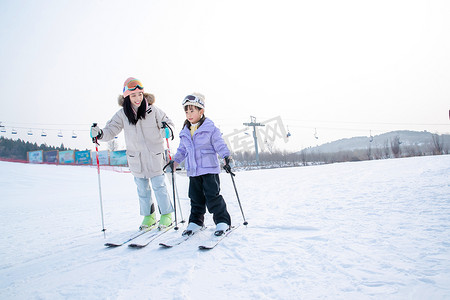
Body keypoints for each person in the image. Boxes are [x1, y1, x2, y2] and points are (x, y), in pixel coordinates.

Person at [90, 77, 174, 230]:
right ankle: (149, 217)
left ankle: (166, 215)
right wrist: (100, 133)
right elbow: (110, 131)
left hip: (154, 156)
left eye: (140, 94)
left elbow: (168, 123)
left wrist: (166, 130)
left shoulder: (153, 110)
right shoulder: (122, 114)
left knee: (159, 186)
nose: (138, 98)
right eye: (133, 95)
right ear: (126, 97)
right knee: (142, 189)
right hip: (137, 159)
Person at [170, 93, 233, 237]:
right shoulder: (185, 131)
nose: (189, 114)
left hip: (209, 169)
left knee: (212, 196)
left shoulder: (210, 128)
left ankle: (222, 221)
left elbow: (219, 144)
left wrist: (226, 156)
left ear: (201, 111)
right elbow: (182, 150)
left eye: (192, 110)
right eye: (186, 111)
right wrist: (175, 162)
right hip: (193, 171)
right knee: (195, 197)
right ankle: (196, 222)